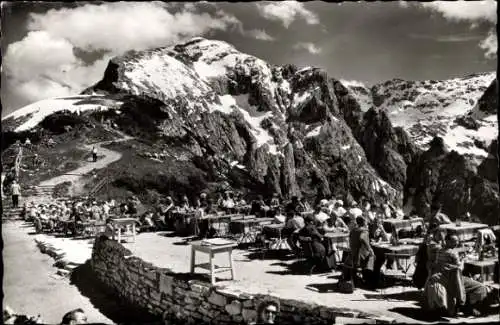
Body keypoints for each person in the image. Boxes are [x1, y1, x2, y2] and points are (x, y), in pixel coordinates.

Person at [345, 216, 376, 290]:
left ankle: (356, 282)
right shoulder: (364, 231)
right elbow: (362, 238)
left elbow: (350, 239)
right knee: (372, 257)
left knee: (358, 265)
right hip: (361, 253)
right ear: (364, 222)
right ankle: (370, 281)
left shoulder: (353, 230)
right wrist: (369, 248)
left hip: (354, 253)